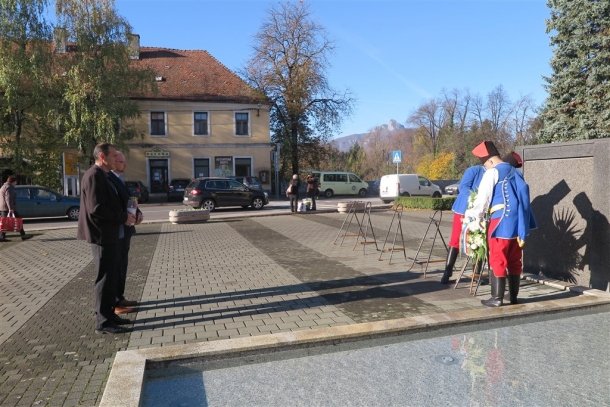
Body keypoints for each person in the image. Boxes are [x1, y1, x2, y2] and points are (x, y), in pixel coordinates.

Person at [464, 141, 536, 307]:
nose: (485, 167)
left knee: (498, 257)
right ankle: (513, 297)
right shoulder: (515, 171)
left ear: (489, 161)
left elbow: (482, 200)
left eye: (485, 164)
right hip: (518, 224)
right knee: (514, 259)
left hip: (500, 221)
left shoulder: (492, 173)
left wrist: (473, 217)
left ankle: (497, 298)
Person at [77, 143, 136, 334]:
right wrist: (122, 217)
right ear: (102, 157)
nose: (115, 159)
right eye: (112, 156)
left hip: (110, 234)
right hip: (101, 235)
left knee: (111, 277)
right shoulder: (94, 176)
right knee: (104, 278)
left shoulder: (104, 175)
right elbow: (97, 208)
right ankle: (103, 322)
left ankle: (110, 315)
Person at [108, 151, 142, 313]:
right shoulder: (109, 179)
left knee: (122, 265)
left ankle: (120, 297)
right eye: (121, 161)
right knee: (116, 267)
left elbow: (128, 200)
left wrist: (138, 212)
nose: (124, 164)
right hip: (117, 230)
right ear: (113, 162)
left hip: (126, 229)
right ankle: (115, 303)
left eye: (124, 161)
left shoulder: (119, 179)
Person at [440, 165, 486, 284]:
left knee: (478, 240)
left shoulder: (494, 172)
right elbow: (463, 187)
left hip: (481, 212)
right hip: (463, 209)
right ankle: (447, 271)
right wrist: (475, 199)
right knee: (455, 240)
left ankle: (476, 273)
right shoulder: (474, 170)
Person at [0, 175, 33, 242]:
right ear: (13, 181)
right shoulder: (9, 187)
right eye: (15, 182)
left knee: (5, 223)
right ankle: (23, 236)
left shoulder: (3, 186)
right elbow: (8, 199)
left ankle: (2, 237)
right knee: (16, 221)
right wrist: (10, 209)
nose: (16, 183)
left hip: (3, 208)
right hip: (8, 208)